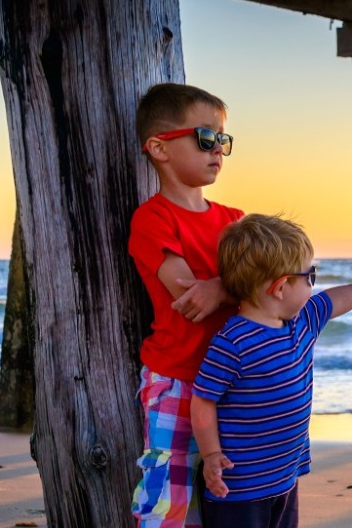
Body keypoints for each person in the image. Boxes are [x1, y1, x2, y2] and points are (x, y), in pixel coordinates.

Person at [191, 214, 352, 528]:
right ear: (280, 287)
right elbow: (203, 400)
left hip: (284, 477)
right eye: (309, 276)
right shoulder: (233, 343)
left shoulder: (302, 322)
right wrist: (210, 454)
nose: (313, 285)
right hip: (239, 488)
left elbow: (336, 299)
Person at [128, 83, 244, 528]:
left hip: (234, 381)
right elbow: (189, 296)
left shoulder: (235, 219)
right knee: (169, 500)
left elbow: (274, 285)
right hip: (177, 380)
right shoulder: (154, 217)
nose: (219, 150)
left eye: (223, 140)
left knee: (231, 491)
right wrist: (223, 287)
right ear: (159, 147)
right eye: (205, 138)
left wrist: (219, 287)